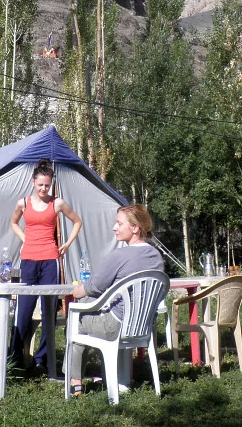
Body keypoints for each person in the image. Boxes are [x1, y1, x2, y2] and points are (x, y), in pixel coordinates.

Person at [66, 204, 164, 396]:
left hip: (116, 326)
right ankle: (111, 376)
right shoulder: (156, 256)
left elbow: (95, 286)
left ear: (135, 228)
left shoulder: (120, 255)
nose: (114, 227)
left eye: (119, 223)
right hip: (143, 327)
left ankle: (75, 382)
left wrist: (77, 291)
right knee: (86, 309)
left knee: (76, 318)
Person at [10, 159, 82, 369]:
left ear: (51, 184)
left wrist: (66, 244)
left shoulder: (57, 203)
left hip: (50, 260)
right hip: (28, 260)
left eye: (47, 185)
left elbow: (77, 221)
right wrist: (25, 239)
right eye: (40, 184)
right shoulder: (23, 203)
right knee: (24, 309)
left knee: (49, 310)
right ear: (33, 182)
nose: (43, 189)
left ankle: (43, 359)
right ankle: (15, 358)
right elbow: (13, 222)